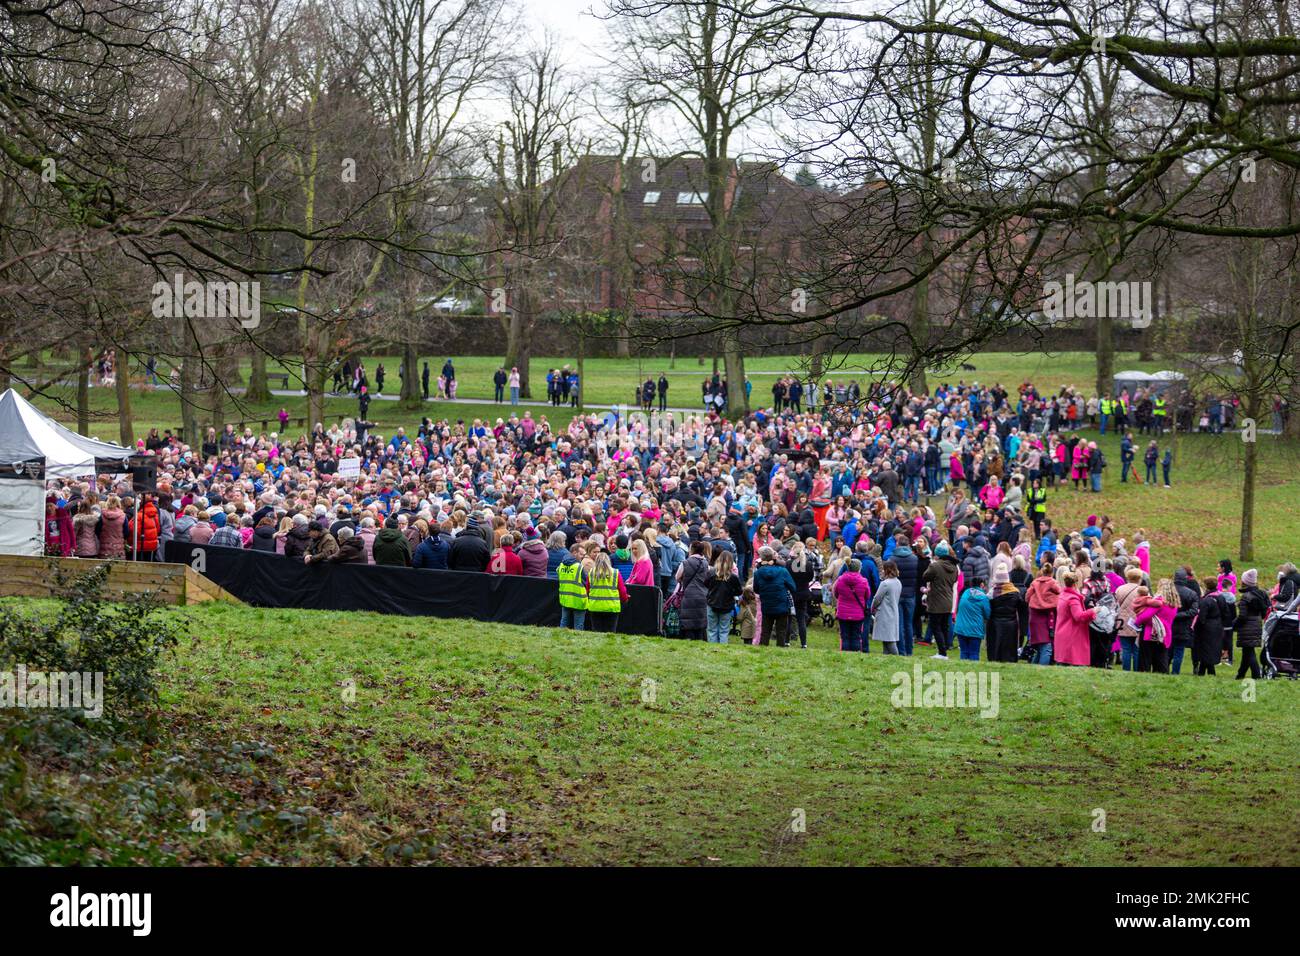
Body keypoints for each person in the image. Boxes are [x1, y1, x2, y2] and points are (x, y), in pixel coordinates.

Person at [753, 546, 797, 647]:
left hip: (767, 604)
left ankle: (762, 651)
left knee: (765, 631)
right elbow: (793, 587)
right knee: (781, 631)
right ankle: (780, 651)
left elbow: (756, 589)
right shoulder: (783, 571)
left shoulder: (758, 573)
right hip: (781, 604)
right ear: (773, 557)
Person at [923, 540, 959, 659]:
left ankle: (942, 652)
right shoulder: (954, 567)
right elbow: (953, 581)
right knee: (944, 626)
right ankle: (944, 650)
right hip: (948, 600)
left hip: (936, 600)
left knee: (935, 626)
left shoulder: (935, 565)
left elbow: (925, 576)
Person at [1053, 571, 1096, 666]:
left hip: (1062, 632)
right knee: (1072, 663)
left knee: (1062, 664)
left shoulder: (1063, 595)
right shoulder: (1073, 599)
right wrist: (1093, 611)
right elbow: (1079, 616)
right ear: (1075, 583)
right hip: (1072, 634)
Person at [987, 565, 1026, 662]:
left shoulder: (992, 593)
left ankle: (995, 658)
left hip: (995, 623)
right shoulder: (1015, 592)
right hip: (1011, 623)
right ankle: (1010, 659)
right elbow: (1022, 608)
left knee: (995, 644)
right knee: (1009, 645)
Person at [1234, 569, 1268, 679]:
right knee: (1247, 651)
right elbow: (1265, 612)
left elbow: (1242, 616)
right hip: (1257, 624)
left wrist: (1234, 625)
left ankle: (1256, 675)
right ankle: (1240, 675)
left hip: (1246, 627)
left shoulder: (1246, 597)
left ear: (1245, 582)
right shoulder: (1262, 594)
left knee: (1249, 651)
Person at [833, 558, 871, 652]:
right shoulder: (863, 581)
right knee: (856, 636)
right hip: (858, 613)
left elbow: (836, 593)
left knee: (844, 635)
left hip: (843, 612)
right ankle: (855, 655)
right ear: (859, 569)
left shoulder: (840, 580)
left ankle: (845, 654)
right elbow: (867, 595)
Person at [676, 541, 711, 640]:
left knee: (688, 618)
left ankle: (688, 638)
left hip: (688, 594)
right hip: (702, 594)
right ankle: (700, 638)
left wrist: (683, 581)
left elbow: (677, 577)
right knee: (699, 618)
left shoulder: (685, 563)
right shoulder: (706, 563)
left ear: (691, 550)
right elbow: (707, 578)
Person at [704, 551, 742, 644]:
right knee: (724, 630)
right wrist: (731, 592)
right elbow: (739, 591)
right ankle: (722, 649)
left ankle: (712, 649)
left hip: (712, 603)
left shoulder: (711, 573)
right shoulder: (733, 577)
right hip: (726, 605)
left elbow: (705, 584)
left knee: (712, 630)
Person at [586, 552, 629, 632]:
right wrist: (625, 599)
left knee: (596, 633)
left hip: (595, 607)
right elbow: (622, 591)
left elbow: (587, 590)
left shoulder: (591, 573)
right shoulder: (615, 573)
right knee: (610, 633)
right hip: (611, 607)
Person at [953, 577, 991, 661]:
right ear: (982, 585)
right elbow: (987, 614)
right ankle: (973, 671)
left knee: (963, 652)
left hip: (961, 628)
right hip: (975, 629)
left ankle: (963, 670)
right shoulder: (984, 598)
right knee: (974, 653)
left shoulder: (965, 593)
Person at [556, 544, 589, 630]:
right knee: (578, 625)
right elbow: (586, 582)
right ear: (574, 553)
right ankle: (578, 642)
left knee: (564, 622)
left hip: (565, 598)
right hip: (578, 599)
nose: (583, 557)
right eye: (581, 554)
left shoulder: (561, 565)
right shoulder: (579, 567)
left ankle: (559, 639)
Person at [872, 560, 902, 654]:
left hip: (885, 613)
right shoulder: (898, 582)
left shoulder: (885, 583)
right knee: (886, 638)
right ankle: (886, 657)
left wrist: (873, 607)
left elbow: (877, 598)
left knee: (889, 640)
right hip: (893, 611)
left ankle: (897, 658)